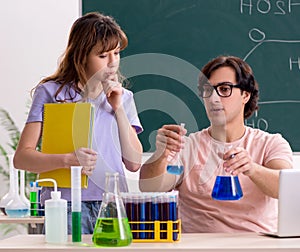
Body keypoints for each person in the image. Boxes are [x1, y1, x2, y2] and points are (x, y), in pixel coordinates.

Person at [14, 12, 143, 234]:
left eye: (117, 53)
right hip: (64, 206)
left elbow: (133, 163)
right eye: (103, 56)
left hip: (112, 205)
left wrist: (118, 108)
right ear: (82, 56)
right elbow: (22, 158)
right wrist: (68, 160)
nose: (113, 63)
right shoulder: (51, 93)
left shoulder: (124, 97)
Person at [139, 55, 293, 233]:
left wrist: (252, 169)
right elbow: (149, 187)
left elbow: (286, 189)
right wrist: (162, 155)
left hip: (255, 245)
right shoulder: (187, 146)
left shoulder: (270, 143)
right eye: (207, 90)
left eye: (224, 89)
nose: (213, 98)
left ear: (245, 95)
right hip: (199, 247)